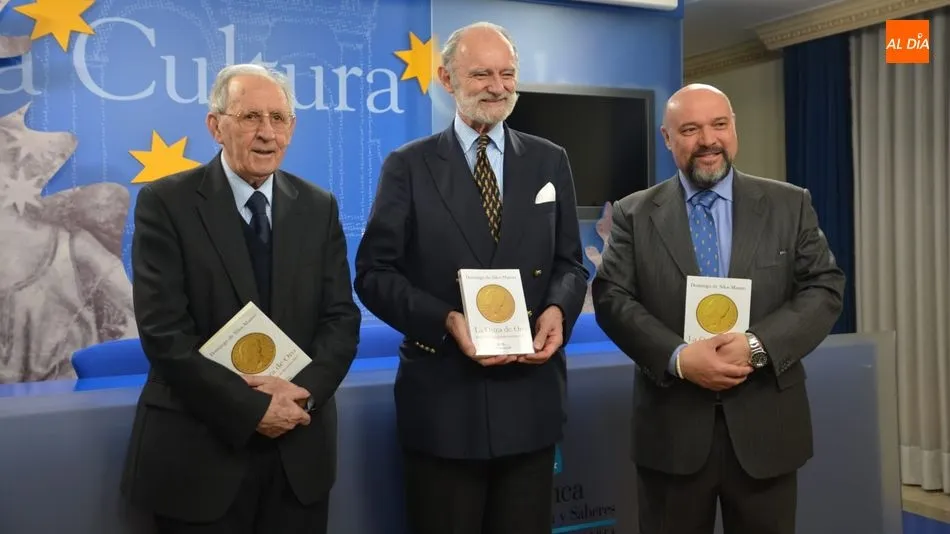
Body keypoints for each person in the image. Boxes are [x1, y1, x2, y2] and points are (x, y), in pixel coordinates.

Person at [353, 21, 589, 534]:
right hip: (444, 405)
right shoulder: (407, 166)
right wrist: (445, 320)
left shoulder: (551, 160)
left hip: (531, 401)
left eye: (507, 74)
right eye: (481, 73)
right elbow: (373, 273)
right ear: (446, 78)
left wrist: (558, 311)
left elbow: (572, 263)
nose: (498, 87)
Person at [591, 83, 845, 534]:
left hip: (767, 429)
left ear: (734, 130)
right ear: (668, 139)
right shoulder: (634, 213)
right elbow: (612, 298)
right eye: (690, 129)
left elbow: (824, 288)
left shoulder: (790, 204)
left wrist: (757, 345)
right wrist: (678, 358)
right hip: (670, 434)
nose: (708, 140)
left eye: (719, 125)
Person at [121, 63, 361, 534]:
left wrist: (304, 392)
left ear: (292, 128)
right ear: (216, 126)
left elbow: (340, 318)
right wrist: (252, 410)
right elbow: (164, 332)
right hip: (199, 458)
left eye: (279, 118)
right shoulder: (165, 204)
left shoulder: (319, 207)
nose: (267, 132)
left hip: (298, 453)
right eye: (251, 116)